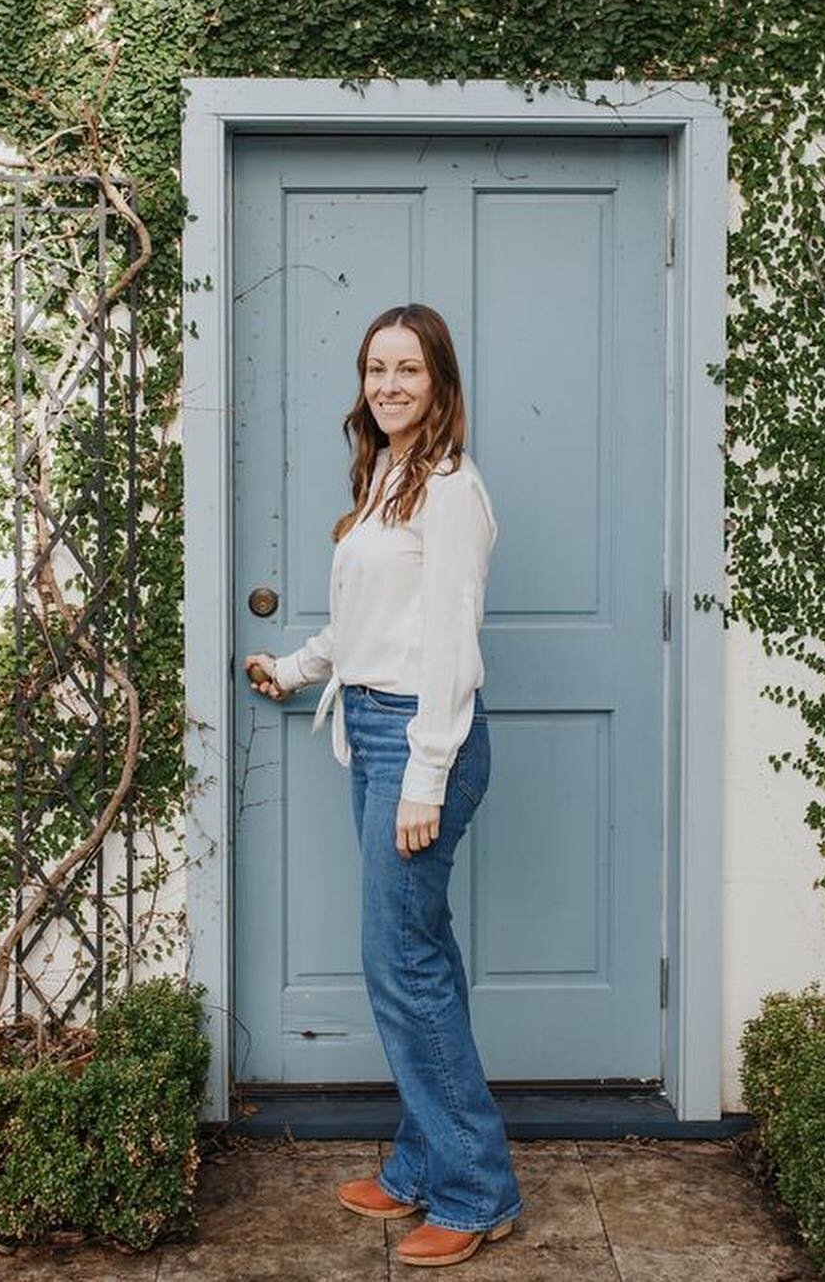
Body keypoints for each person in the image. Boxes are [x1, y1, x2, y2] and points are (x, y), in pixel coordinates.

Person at [244, 302, 522, 1269]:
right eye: (376, 368)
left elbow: (449, 643)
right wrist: (295, 666)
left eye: (408, 368)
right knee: (414, 956)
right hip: (375, 726)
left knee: (402, 967)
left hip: (420, 737)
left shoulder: (450, 490)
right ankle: (419, 1161)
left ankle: (477, 1189)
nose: (390, 384)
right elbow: (366, 622)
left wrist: (425, 775)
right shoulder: (388, 476)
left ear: (440, 380)